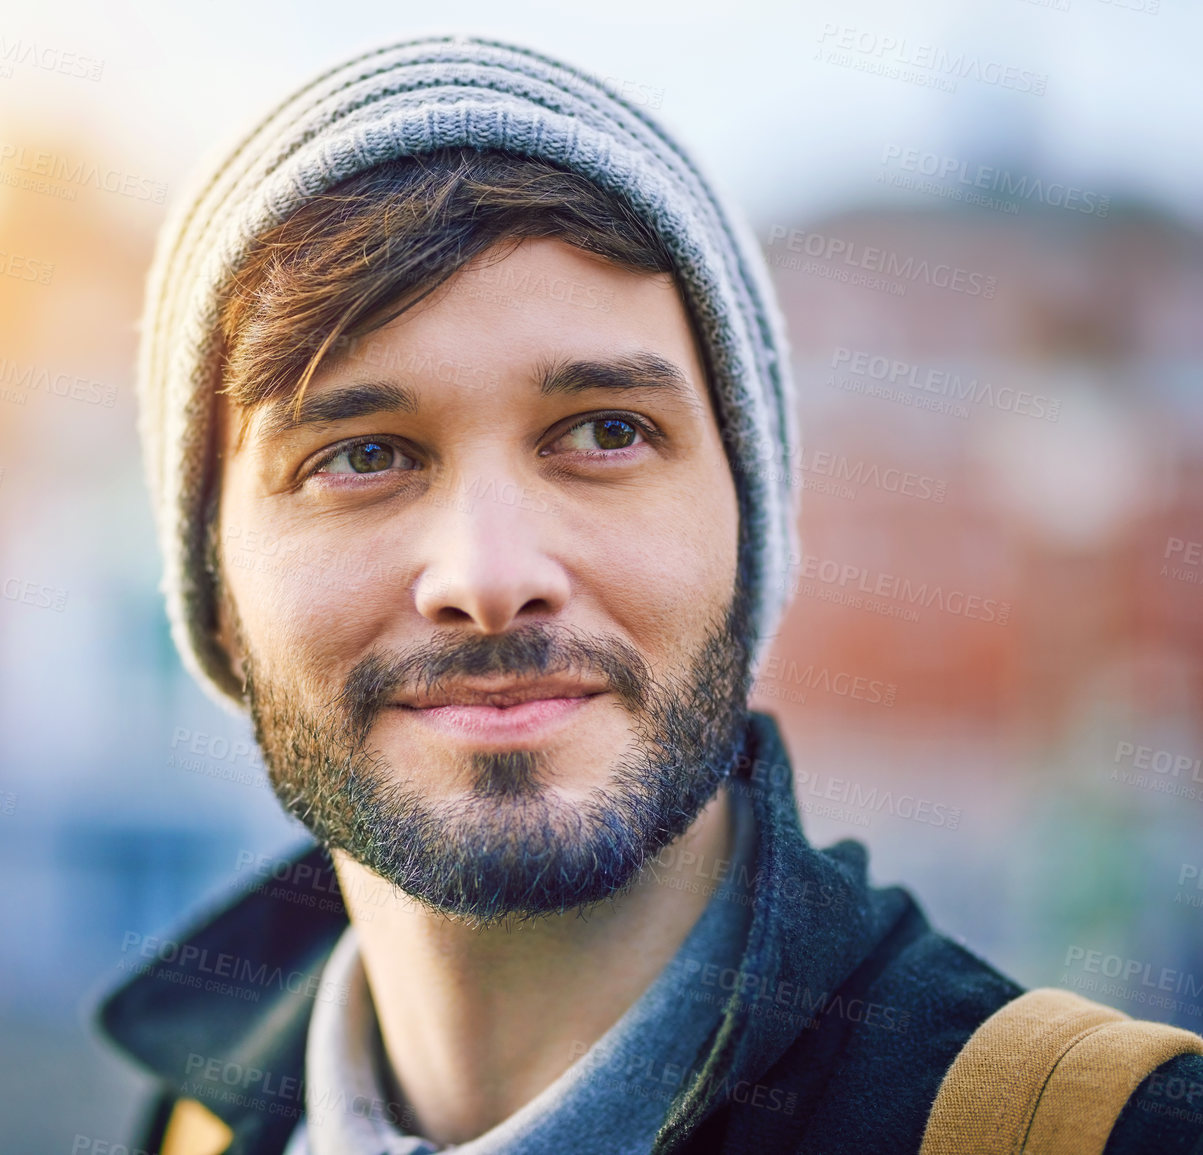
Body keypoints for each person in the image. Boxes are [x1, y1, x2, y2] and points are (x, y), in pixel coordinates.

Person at [97, 35, 1203, 1155]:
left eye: (605, 433)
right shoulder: (196, 1125)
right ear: (215, 584)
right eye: (361, 456)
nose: (491, 577)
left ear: (748, 530)